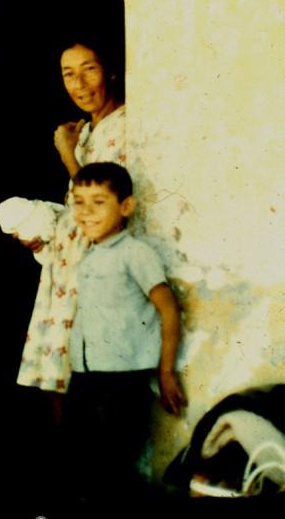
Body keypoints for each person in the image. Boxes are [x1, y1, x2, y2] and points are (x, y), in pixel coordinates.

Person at [66, 161, 187, 502]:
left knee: (113, 467)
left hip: (123, 380)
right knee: (80, 462)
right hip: (86, 375)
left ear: (126, 207)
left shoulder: (136, 253)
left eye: (98, 202)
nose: (86, 211)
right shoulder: (89, 254)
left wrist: (166, 372)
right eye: (79, 201)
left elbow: (168, 309)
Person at [14, 34, 127, 399]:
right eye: (68, 74)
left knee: (88, 387)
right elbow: (76, 208)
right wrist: (43, 237)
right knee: (57, 382)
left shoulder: (127, 126)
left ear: (109, 72)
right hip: (65, 270)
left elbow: (100, 205)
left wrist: (66, 152)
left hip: (97, 273)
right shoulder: (88, 130)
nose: (79, 85)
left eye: (89, 70)